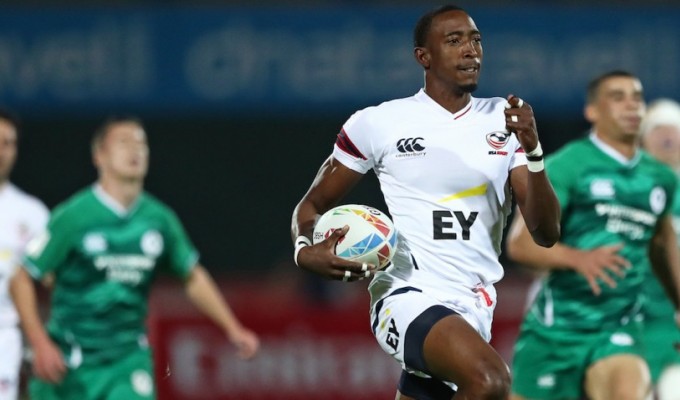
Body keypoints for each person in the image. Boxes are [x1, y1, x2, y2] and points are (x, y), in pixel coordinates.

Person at [290, 5, 561, 400]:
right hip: (406, 293)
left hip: (473, 305)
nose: (471, 51)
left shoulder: (504, 120)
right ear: (424, 56)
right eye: (454, 41)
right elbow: (310, 207)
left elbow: (546, 233)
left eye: (475, 40)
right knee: (490, 381)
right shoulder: (379, 123)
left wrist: (534, 152)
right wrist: (303, 251)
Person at [9, 117, 259, 400]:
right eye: (124, 143)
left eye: (142, 143)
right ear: (99, 156)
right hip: (70, 361)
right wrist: (39, 341)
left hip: (127, 359)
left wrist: (232, 328)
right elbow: (21, 276)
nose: (135, 151)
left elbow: (191, 275)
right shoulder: (73, 217)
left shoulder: (159, 219)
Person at [506, 71, 680, 400]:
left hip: (619, 326)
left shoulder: (659, 179)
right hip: (556, 331)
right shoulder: (568, 166)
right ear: (593, 111)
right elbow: (519, 246)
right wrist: (578, 258)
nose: (630, 106)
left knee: (627, 391)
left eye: (636, 98)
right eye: (617, 97)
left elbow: (661, 243)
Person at [0, 109, 49, 400]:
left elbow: (56, 278)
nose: (1, 151)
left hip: (4, 335)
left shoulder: (33, 214)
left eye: (8, 143)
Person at [640, 98, 680, 400]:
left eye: (674, 130)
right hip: (628, 323)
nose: (668, 137)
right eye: (658, 130)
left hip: (672, 327)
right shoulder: (626, 186)